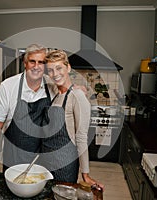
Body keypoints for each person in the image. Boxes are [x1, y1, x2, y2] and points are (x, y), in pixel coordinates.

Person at [0, 44, 55, 180]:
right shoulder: (8, 87)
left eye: (41, 62)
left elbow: (70, 92)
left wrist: (78, 89)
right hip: (14, 156)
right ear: (25, 63)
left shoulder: (52, 86)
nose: (36, 66)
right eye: (32, 61)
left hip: (43, 157)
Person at [42, 49, 104, 190]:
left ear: (68, 67)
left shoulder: (77, 96)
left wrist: (85, 174)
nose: (55, 74)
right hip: (46, 162)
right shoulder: (55, 94)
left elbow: (81, 137)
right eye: (50, 70)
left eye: (59, 68)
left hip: (65, 164)